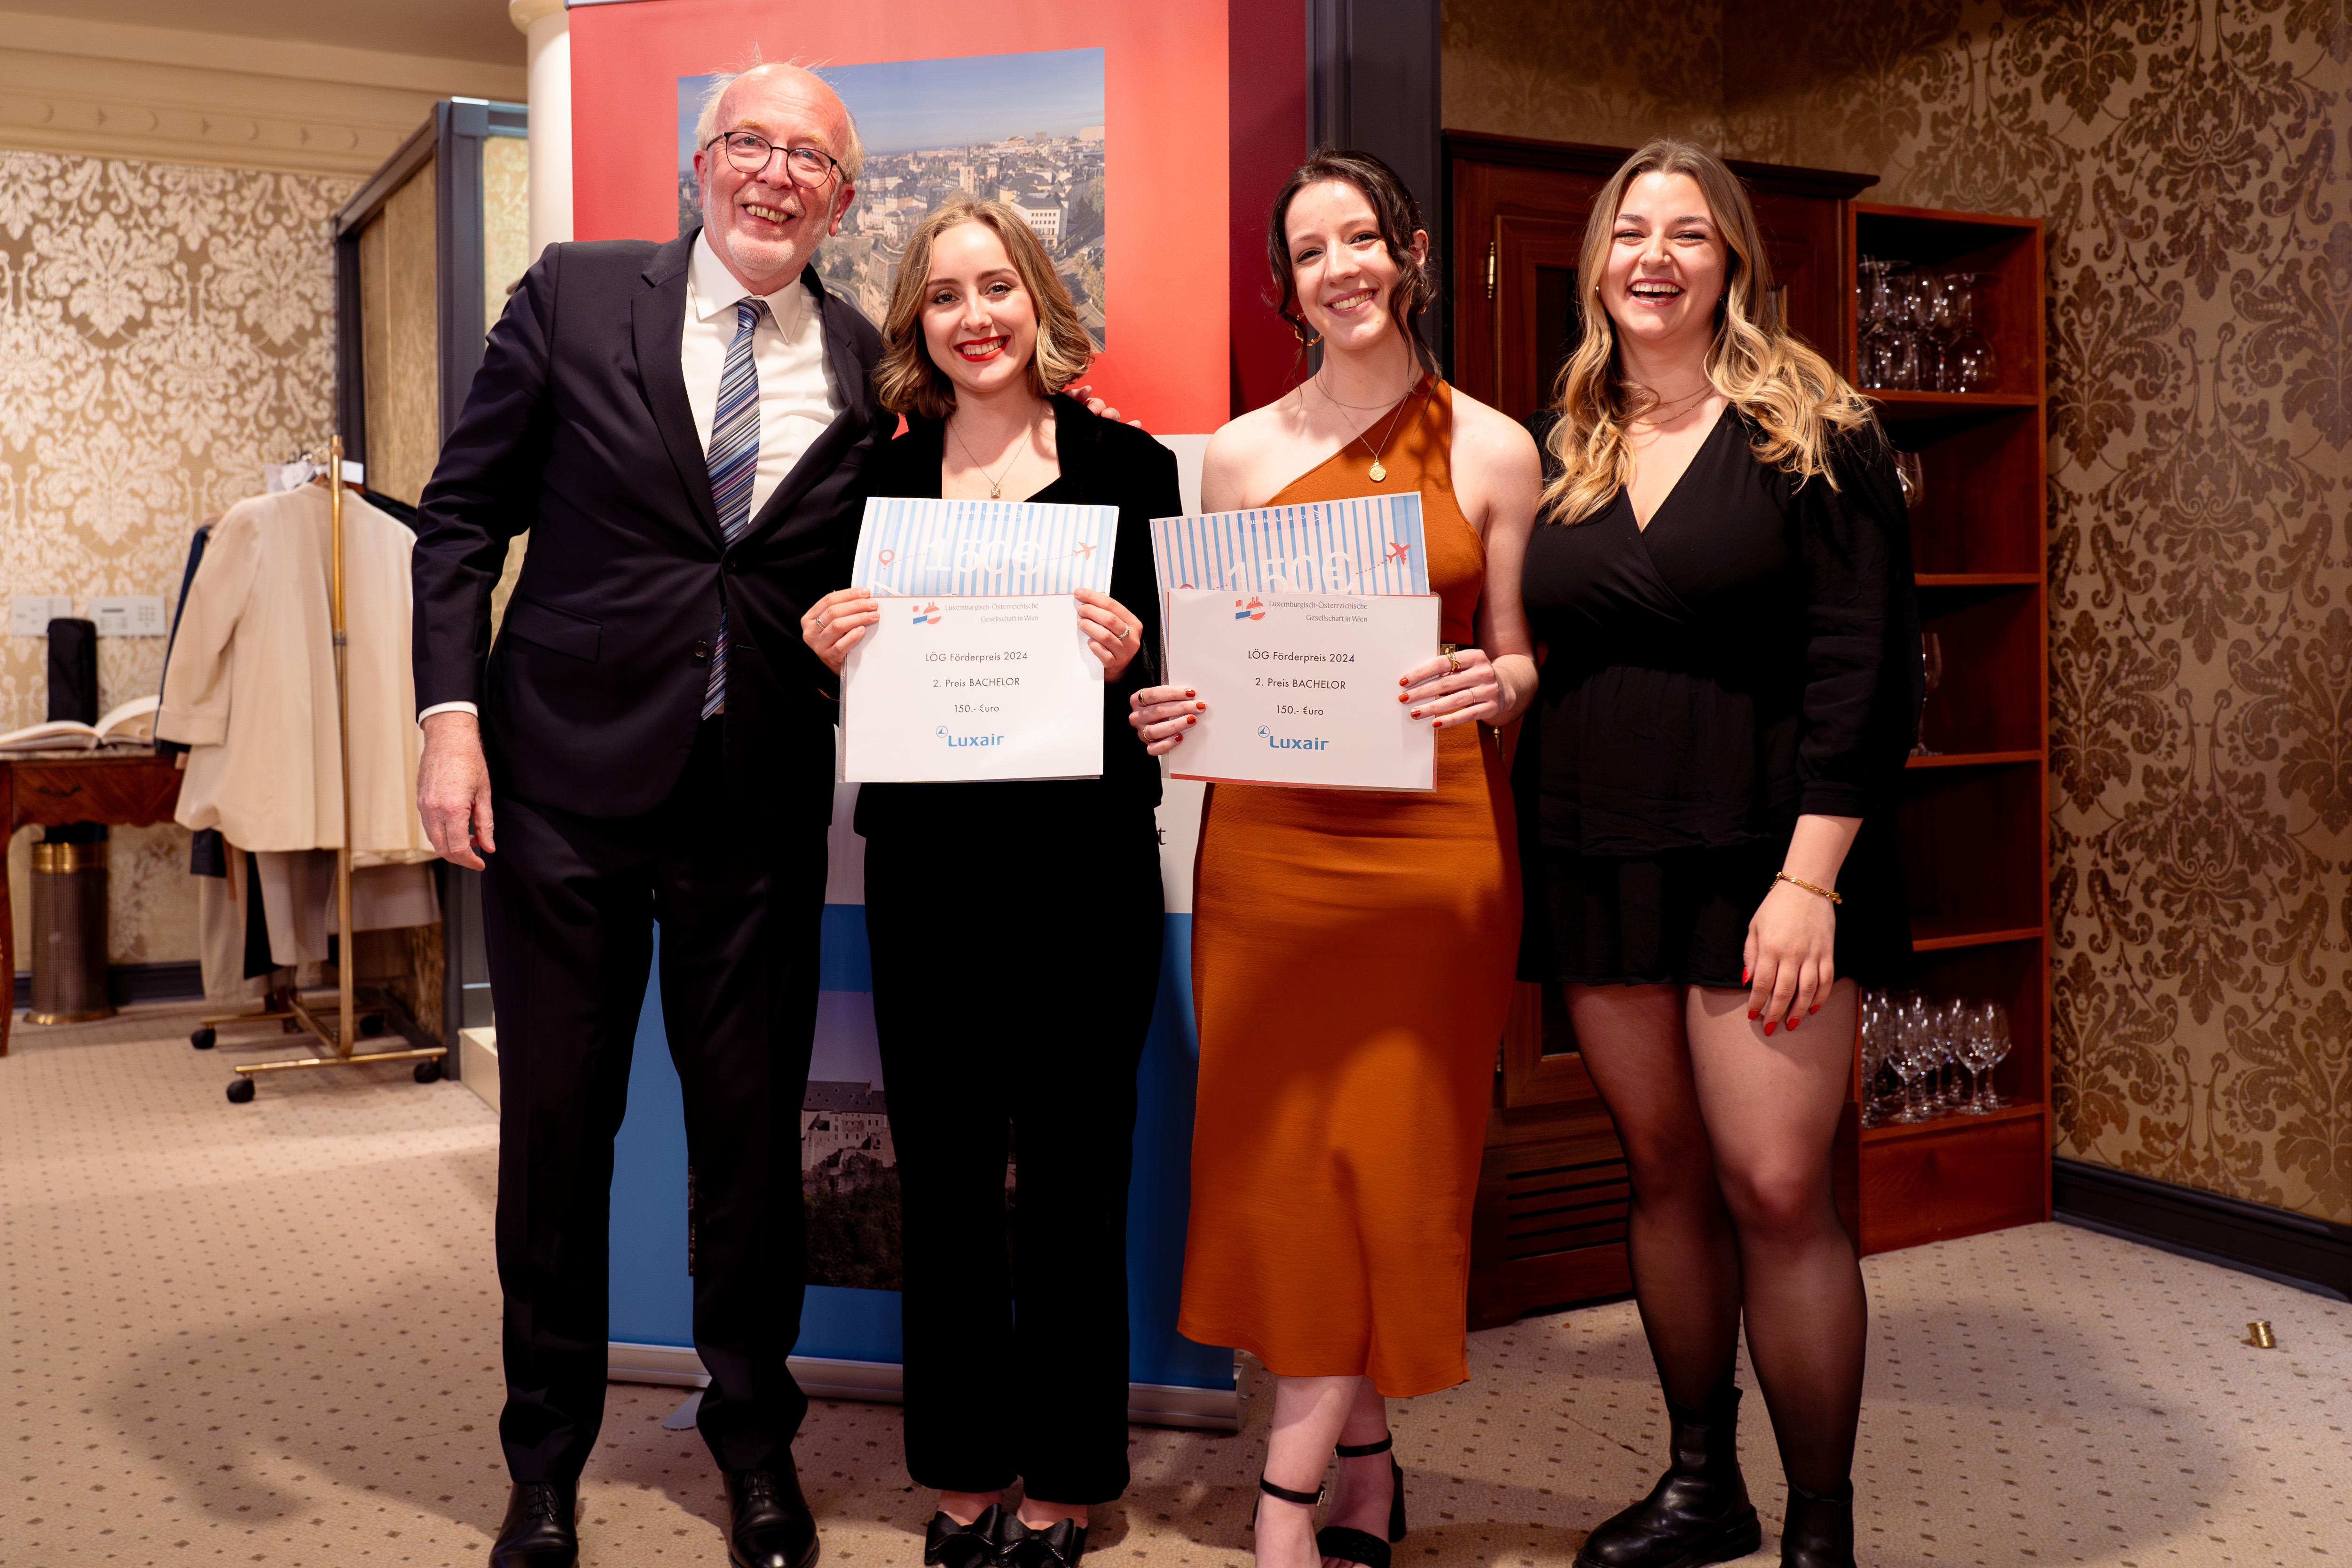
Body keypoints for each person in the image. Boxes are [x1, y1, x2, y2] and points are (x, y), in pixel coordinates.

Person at [411, 61, 879, 1568]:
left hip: (756, 803)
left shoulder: (868, 364)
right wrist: (449, 721)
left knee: (749, 1144)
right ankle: (542, 1463)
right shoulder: (574, 293)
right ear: (700, 162)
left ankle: (754, 1444)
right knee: (559, 1133)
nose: (775, 173)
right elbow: (461, 520)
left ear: (841, 201)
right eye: (752, 142)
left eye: (810, 158)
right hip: (560, 790)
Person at [1125, 150, 1541, 1568]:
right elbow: (1218, 667)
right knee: (1296, 1164)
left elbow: (1516, 655)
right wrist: (1174, 711)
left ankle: (1284, 1500)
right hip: (1271, 854)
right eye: (1310, 253)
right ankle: (1361, 1463)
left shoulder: (1496, 448)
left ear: (1408, 252)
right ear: (1286, 287)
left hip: (1432, 850)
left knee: (1390, 1155)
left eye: (1360, 239)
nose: (1340, 269)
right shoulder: (1237, 457)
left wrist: (1499, 684)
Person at [1513, 139, 1921, 1568]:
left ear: (1732, 260)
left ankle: (1821, 1530)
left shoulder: (1814, 427)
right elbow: (1534, 644)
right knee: (1664, 1176)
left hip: (1767, 852)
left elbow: (1867, 667)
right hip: (1599, 846)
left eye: (1688, 232)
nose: (1656, 256)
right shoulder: (1561, 440)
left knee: (1775, 1189)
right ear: (1596, 265)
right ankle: (1704, 1489)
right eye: (1631, 232)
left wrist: (1809, 883)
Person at [799, 197, 1175, 1568]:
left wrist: (1137, 652)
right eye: (947, 294)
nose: (976, 317)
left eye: (998, 286)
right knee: (948, 1183)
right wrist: (823, 643)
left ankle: (1067, 1481)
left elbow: (1181, 687)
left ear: (1039, 302)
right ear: (919, 322)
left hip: (1087, 875)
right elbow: (828, 683)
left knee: (1077, 1180)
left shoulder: (1131, 469)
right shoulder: (874, 487)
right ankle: (960, 1470)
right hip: (930, 879)